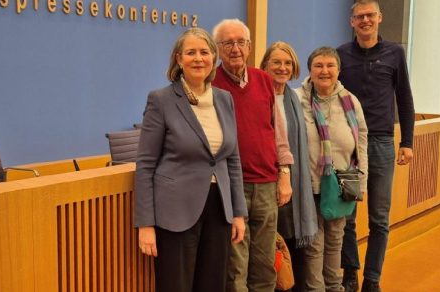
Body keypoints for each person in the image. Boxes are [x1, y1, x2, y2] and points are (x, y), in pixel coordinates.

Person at [134, 27, 247, 292]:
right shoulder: (161, 100)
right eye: (191, 52)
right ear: (178, 59)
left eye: (205, 52)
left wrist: (238, 213)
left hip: (218, 210)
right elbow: (146, 165)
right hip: (175, 212)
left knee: (213, 285)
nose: (199, 58)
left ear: (213, 58)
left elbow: (232, 160)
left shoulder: (224, 99)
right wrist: (145, 224)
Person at [338, 0, 415, 292]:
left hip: (382, 142)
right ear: (352, 22)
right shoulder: (341, 54)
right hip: (349, 142)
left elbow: (405, 99)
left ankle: (372, 279)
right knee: (346, 216)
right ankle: (350, 275)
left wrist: (406, 141)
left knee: (379, 218)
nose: (365, 21)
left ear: (380, 17)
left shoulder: (395, 53)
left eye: (370, 15)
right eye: (360, 17)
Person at [212, 18, 294, 292]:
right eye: (227, 43)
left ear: (249, 46)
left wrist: (284, 175)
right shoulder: (211, 84)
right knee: (236, 268)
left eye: (240, 42)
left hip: (267, 185)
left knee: (264, 264)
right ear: (217, 48)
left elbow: (278, 134)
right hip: (232, 186)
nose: (235, 48)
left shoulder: (264, 80)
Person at [296, 46, 368, 292]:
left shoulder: (350, 100)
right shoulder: (298, 99)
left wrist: (363, 182)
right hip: (309, 184)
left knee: (336, 240)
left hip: (341, 185)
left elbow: (362, 141)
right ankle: (316, 289)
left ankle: (334, 286)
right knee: (314, 244)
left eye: (330, 66)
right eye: (318, 65)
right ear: (310, 70)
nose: (324, 71)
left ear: (339, 70)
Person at [260, 41, 318, 291]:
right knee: (271, 248)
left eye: (287, 63)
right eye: (276, 62)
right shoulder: (258, 94)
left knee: (291, 245)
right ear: (265, 65)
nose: (282, 68)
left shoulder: (295, 99)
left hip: (294, 185)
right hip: (265, 182)